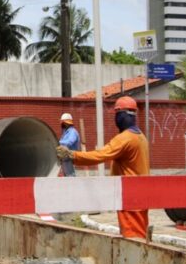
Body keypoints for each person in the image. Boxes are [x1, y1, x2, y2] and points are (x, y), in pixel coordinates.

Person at [56, 96, 150, 239]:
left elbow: (100, 155)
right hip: (142, 196)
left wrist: (72, 156)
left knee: (133, 240)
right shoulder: (141, 137)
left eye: (117, 114)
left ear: (121, 115)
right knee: (141, 235)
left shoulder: (125, 139)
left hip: (129, 198)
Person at [58, 113, 80, 177]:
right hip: (66, 157)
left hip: (70, 157)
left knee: (70, 176)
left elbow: (69, 142)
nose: (62, 124)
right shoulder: (66, 132)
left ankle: (73, 186)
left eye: (63, 122)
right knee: (67, 176)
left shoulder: (72, 132)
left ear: (66, 123)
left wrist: (58, 142)